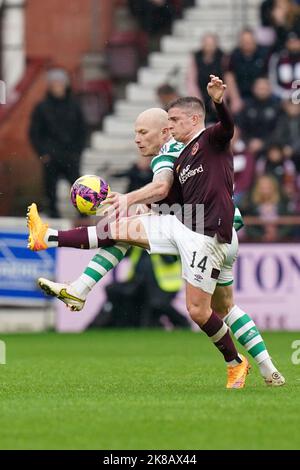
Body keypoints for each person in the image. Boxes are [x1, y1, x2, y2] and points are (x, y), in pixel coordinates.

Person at [27, 77, 284, 387]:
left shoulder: (172, 149)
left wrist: (129, 198)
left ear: (166, 131)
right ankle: (269, 369)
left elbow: (164, 185)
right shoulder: (186, 150)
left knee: (198, 308)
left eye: (142, 132)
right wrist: (147, 208)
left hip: (200, 231)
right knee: (224, 306)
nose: (137, 139)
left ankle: (50, 240)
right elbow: (178, 193)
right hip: (219, 228)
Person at [29, 68, 87, 218]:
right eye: (54, 83)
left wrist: (77, 151)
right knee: (50, 188)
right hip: (51, 155)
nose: (58, 87)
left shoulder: (74, 106)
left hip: (70, 155)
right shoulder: (42, 107)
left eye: (60, 83)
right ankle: (53, 214)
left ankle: (84, 213)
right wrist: (43, 153)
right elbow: (34, 133)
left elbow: (83, 129)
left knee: (77, 186)